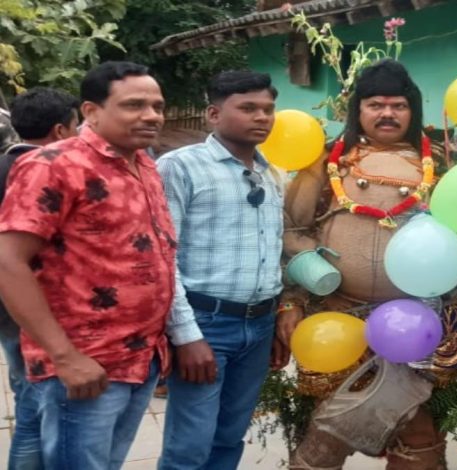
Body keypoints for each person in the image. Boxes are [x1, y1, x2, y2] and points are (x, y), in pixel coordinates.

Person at [283, 59, 457, 470]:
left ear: (413, 110)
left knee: (420, 435)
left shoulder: (442, 164)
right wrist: (291, 300)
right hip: (337, 319)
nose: (387, 114)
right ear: (358, 110)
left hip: (421, 323)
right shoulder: (328, 162)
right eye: (376, 105)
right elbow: (292, 231)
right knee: (325, 434)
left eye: (398, 105)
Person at [0, 61, 174, 470]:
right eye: (134, 105)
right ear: (91, 112)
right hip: (84, 365)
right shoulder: (53, 165)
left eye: (157, 106)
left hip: (141, 357)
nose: (151, 115)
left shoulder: (143, 163)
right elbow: (8, 260)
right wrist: (64, 356)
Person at [157, 70, 297, 470]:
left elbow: (274, 251)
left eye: (268, 109)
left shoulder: (272, 173)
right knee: (190, 445)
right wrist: (186, 336)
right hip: (206, 323)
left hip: (259, 327)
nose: (262, 117)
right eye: (248, 108)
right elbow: (162, 259)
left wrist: (276, 316)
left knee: (229, 438)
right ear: (213, 114)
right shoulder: (179, 167)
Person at [0, 87, 80, 469]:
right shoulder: (50, 174)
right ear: (61, 130)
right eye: (77, 126)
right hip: (38, 307)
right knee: (37, 405)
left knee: (26, 395)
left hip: (5, 308)